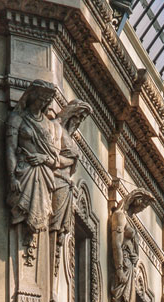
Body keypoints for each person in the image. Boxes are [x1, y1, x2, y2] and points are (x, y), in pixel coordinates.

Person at [6, 80, 59, 232]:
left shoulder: (49, 125)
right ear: (31, 97)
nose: (41, 103)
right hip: (24, 172)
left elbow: (55, 159)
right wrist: (12, 177)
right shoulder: (17, 118)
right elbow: (10, 149)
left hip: (44, 175)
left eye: (45, 101)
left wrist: (43, 158)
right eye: (40, 99)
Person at [50, 99, 91, 268]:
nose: (79, 120)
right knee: (53, 225)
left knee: (61, 231)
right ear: (71, 113)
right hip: (57, 181)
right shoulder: (56, 128)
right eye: (78, 116)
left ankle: (53, 263)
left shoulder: (68, 136)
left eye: (82, 118)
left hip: (66, 186)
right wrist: (69, 160)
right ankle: (49, 263)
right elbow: (51, 158)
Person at [110, 189, 153, 302]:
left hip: (129, 265)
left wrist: (135, 257)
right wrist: (119, 270)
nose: (142, 209)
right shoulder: (120, 216)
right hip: (123, 267)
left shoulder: (130, 220)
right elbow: (116, 243)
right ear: (136, 200)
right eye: (143, 204)